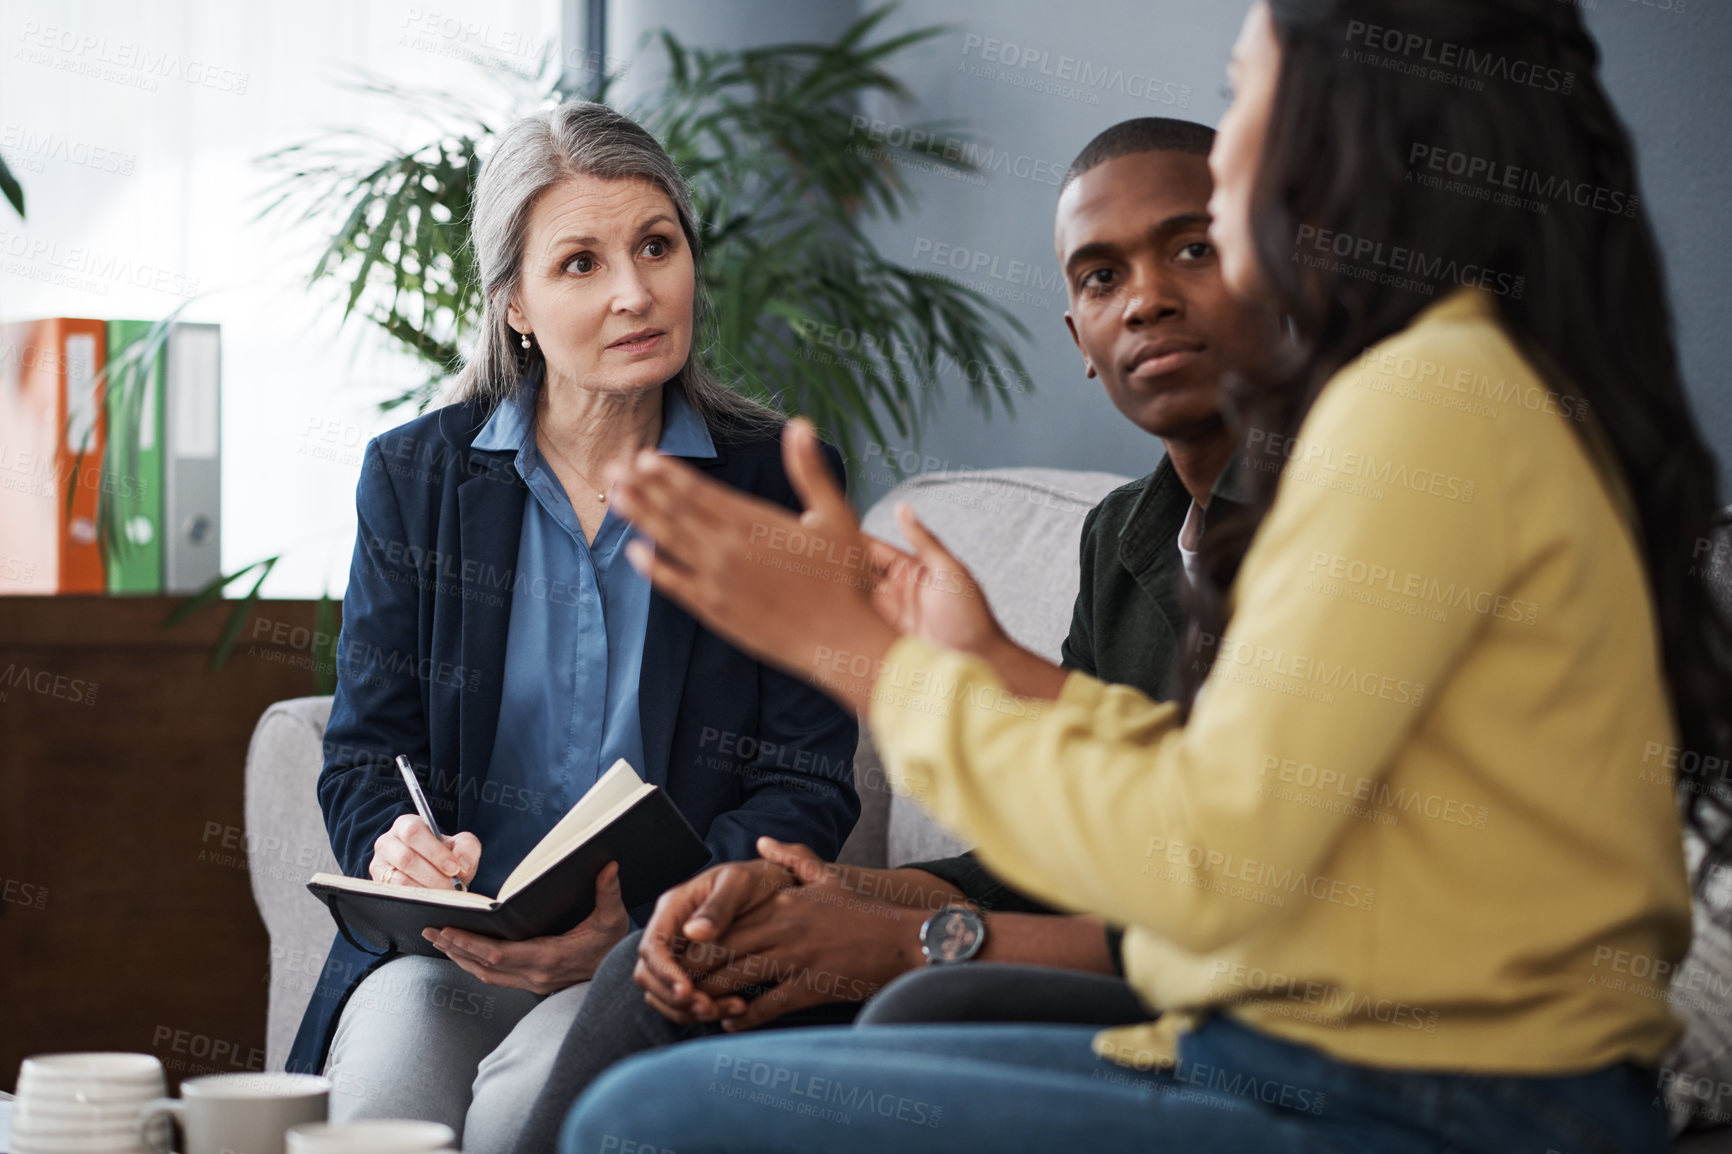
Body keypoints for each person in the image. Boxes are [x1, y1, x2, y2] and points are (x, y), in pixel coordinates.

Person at [564, 1, 1732, 1150]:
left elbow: (1210, 858)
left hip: (1427, 1092)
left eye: (1244, 97)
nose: (1215, 200)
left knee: (643, 1119)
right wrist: (987, 669)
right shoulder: (1432, 393)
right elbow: (1233, 797)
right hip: (1315, 1054)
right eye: (1099, 274)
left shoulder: (1419, 411)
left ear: (1340, 121)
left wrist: (865, 663)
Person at [503, 116, 1283, 1152]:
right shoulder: (1124, 537)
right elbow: (1053, 854)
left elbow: (1243, 904)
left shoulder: (1331, 525)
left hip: (1253, 1014)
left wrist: (912, 938)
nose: (1144, 297)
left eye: (1193, 248)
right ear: (1079, 343)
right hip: (1112, 948)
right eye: (1100, 278)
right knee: (689, 944)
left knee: (922, 1006)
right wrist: (822, 889)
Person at [281, 101, 861, 1154]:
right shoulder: (415, 479)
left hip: (659, 949)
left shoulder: (775, 480)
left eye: (656, 246)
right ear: (516, 306)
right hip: (450, 953)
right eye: (581, 263)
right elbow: (367, 748)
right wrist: (393, 840)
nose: (635, 292)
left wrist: (641, 920)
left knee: (526, 1109)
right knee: (379, 1110)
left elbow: (806, 779)